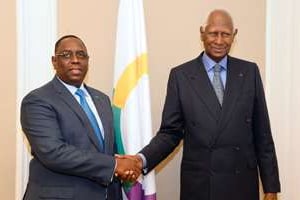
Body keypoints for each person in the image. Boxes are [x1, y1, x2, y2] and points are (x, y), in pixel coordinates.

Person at [128, 9, 281, 200]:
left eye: (225, 34)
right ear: (202, 33)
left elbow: (263, 134)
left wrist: (271, 187)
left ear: (234, 35)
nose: (218, 40)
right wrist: (140, 160)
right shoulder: (181, 76)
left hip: (241, 184)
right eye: (213, 33)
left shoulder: (249, 72)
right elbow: (170, 134)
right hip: (201, 186)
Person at [20, 35, 140, 200]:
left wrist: (125, 166)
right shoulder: (37, 100)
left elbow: (105, 150)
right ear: (54, 62)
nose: (75, 60)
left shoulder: (102, 99)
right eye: (66, 55)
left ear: (88, 61)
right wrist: (114, 165)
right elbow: (53, 153)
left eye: (81, 55)